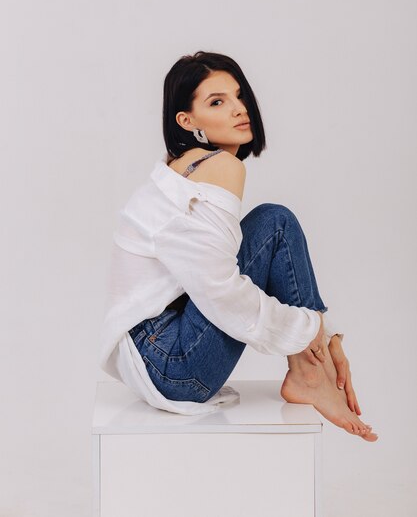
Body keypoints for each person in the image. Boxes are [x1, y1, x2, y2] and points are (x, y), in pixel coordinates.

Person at [99, 50, 378, 440]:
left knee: (274, 221)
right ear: (187, 120)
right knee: (276, 223)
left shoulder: (183, 167)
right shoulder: (219, 167)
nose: (238, 108)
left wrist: (323, 335)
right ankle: (310, 371)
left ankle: (309, 370)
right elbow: (220, 293)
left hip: (152, 360)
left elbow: (207, 286)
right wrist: (309, 328)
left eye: (238, 95)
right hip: (173, 367)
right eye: (217, 101)